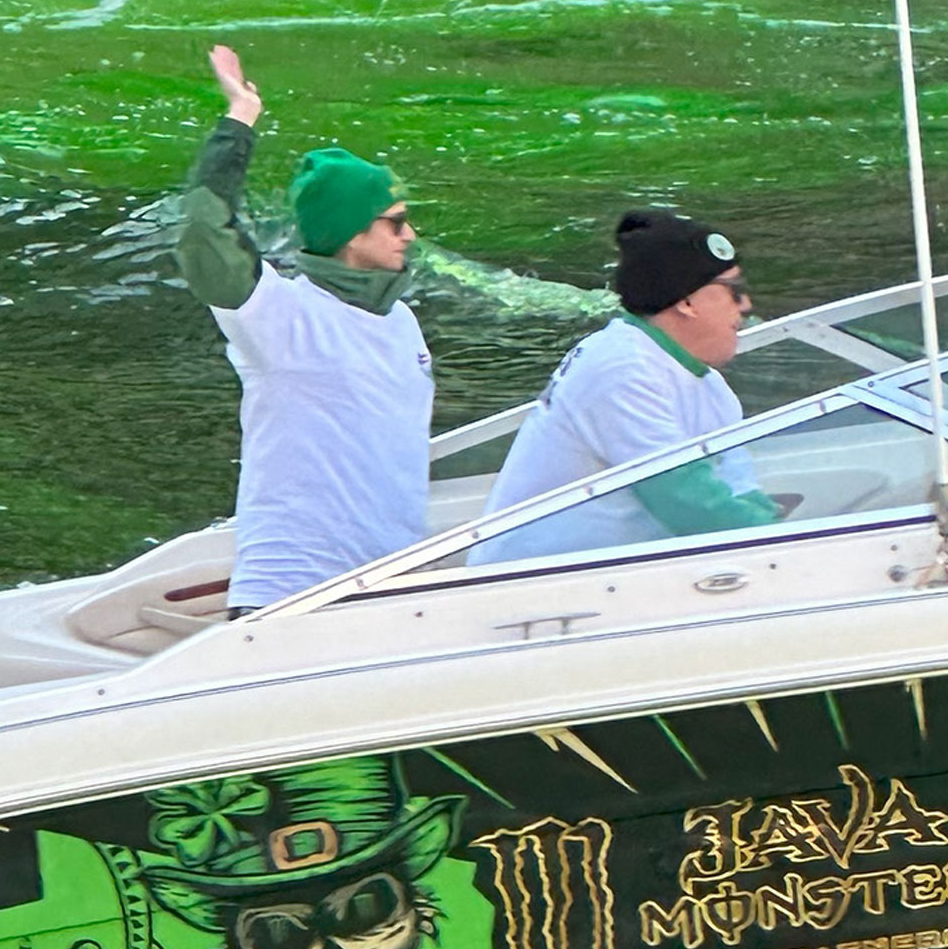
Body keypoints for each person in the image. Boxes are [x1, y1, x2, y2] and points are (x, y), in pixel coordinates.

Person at [177, 44, 433, 617]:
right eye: (394, 222)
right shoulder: (280, 316)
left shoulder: (402, 320)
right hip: (291, 597)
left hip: (391, 591)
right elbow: (203, 228)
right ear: (350, 233)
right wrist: (240, 117)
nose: (410, 235)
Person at [472, 209, 779, 564]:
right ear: (687, 301)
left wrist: (773, 530)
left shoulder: (710, 386)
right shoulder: (622, 369)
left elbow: (738, 489)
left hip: (610, 573)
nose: (746, 305)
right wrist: (783, 551)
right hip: (531, 580)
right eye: (733, 291)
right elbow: (686, 499)